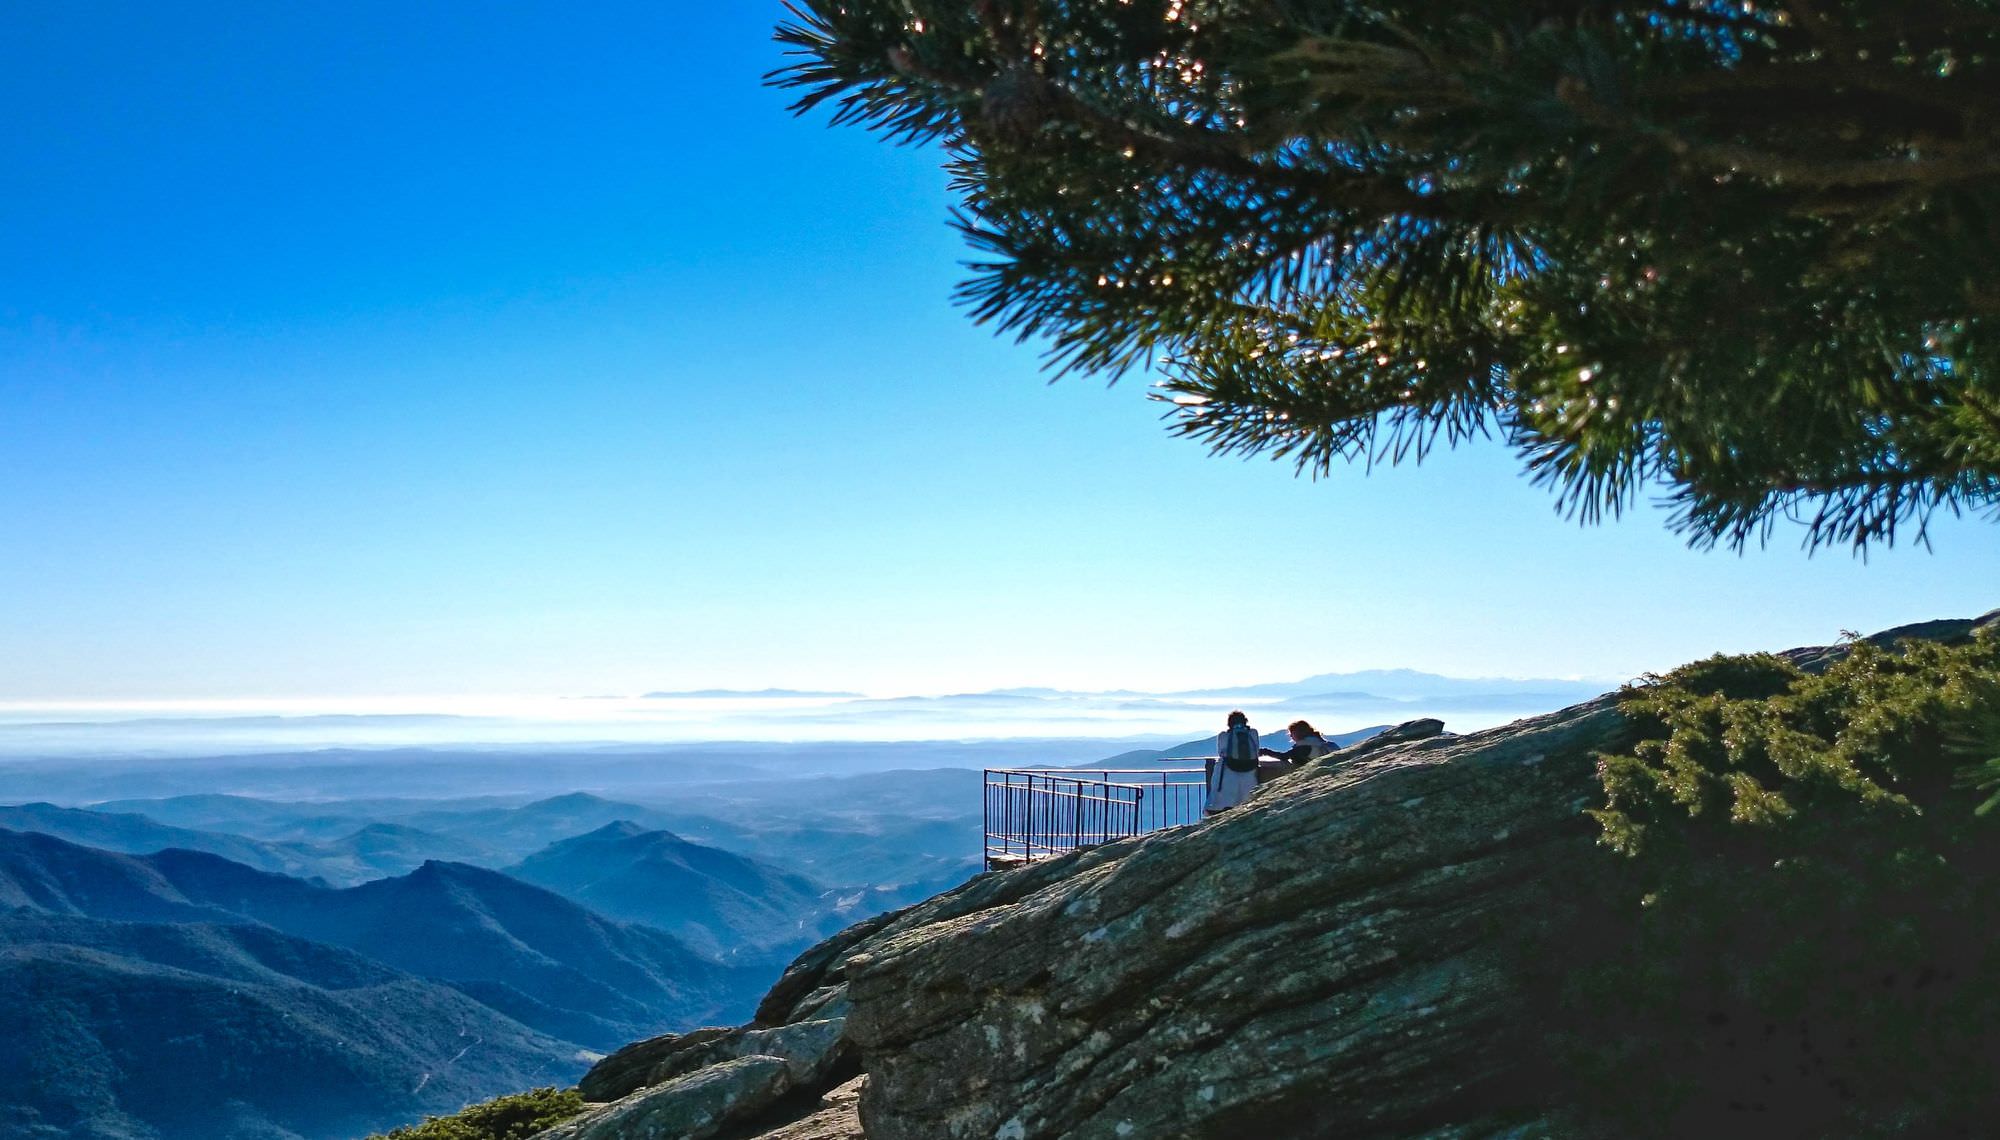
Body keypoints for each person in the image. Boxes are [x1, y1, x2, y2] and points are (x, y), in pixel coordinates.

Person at [1207, 710, 1262, 814]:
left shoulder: (1223, 736)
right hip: (1249, 771)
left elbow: (1221, 752)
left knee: (1225, 801)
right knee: (1246, 800)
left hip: (1229, 771)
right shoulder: (1253, 733)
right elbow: (1256, 750)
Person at [1260, 720, 1339, 769]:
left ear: (1299, 733)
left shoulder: (1304, 746)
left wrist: (1265, 751)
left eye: (1292, 733)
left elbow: (1283, 757)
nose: (1291, 736)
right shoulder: (1325, 743)